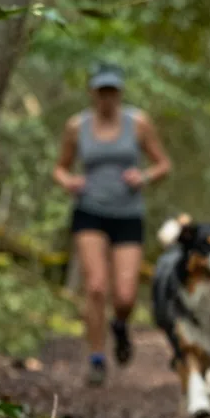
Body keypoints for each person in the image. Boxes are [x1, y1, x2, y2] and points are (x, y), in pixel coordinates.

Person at [53, 63, 172, 386]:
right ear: (93, 92)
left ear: (119, 92)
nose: (107, 98)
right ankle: (96, 358)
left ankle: (120, 326)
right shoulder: (77, 126)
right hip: (89, 211)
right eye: (102, 91)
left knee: (125, 296)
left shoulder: (139, 123)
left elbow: (163, 164)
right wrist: (69, 181)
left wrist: (143, 176)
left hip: (128, 214)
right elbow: (60, 168)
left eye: (113, 91)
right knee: (95, 287)